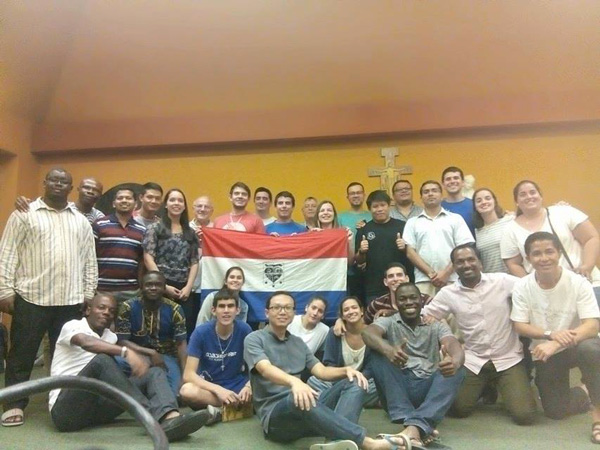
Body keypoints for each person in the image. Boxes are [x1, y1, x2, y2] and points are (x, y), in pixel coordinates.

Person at [0, 168, 98, 427]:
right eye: (53, 179)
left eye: (64, 181)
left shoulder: (80, 221)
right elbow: (7, 253)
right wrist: (5, 291)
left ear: (70, 188)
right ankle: (14, 403)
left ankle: (61, 400)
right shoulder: (24, 214)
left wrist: (88, 293)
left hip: (70, 299)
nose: (58, 184)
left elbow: (89, 259)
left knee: (66, 354)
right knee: (21, 354)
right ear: (44, 183)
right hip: (31, 297)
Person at [243, 291, 402, 450]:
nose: (282, 312)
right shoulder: (254, 338)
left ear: (293, 313)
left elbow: (321, 371)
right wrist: (295, 382)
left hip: (307, 410)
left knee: (356, 381)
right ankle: (368, 443)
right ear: (267, 312)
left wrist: (346, 370)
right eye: (277, 307)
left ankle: (335, 442)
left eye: (287, 308)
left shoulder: (298, 343)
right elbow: (265, 369)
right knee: (295, 399)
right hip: (277, 420)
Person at [48, 293, 209, 441]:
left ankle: (170, 418)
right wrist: (125, 352)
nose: (106, 313)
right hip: (66, 412)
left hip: (96, 410)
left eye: (111, 311)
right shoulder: (72, 326)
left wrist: (144, 359)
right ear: (88, 310)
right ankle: (151, 417)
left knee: (154, 372)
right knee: (102, 360)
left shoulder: (110, 337)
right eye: (101, 308)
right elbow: (86, 343)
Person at [422, 244, 537, 425]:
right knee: (457, 409)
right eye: (460, 262)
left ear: (480, 263)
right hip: (474, 360)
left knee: (525, 416)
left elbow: (532, 286)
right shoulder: (448, 293)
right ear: (454, 267)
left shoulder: (501, 281)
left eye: (471, 259)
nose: (466, 265)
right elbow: (426, 315)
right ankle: (485, 387)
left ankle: (503, 386)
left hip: (508, 358)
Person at [511, 232, 600, 442]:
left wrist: (556, 342)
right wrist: (550, 335)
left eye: (549, 251)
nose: (544, 258)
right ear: (528, 258)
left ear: (559, 253)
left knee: (590, 348)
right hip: (546, 353)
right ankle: (586, 390)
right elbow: (520, 325)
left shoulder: (578, 283)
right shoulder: (522, 286)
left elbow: (592, 326)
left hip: (578, 345)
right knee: (555, 411)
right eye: (537, 253)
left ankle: (598, 417)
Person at [362, 282, 465, 448]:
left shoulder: (435, 324)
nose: (409, 302)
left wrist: (454, 361)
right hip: (398, 390)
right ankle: (419, 424)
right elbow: (367, 333)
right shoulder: (389, 321)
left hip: (427, 389)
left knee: (457, 367)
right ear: (396, 303)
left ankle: (414, 427)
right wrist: (389, 350)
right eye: (403, 299)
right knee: (376, 353)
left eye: (413, 298)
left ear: (421, 301)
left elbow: (453, 344)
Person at [501, 180, 600, 300]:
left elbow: (591, 238)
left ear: (540, 196)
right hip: (546, 294)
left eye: (532, 192)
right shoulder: (509, 230)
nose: (529, 196)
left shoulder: (563, 212)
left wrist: (587, 266)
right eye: (523, 194)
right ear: (516, 201)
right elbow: (513, 263)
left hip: (586, 285)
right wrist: (532, 285)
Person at [180, 289, 253, 422]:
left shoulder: (245, 330)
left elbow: (256, 368)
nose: (226, 311)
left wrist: (249, 386)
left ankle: (219, 410)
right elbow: (188, 375)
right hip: (211, 387)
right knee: (187, 390)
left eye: (230, 306)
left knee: (265, 385)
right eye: (221, 306)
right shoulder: (201, 333)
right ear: (213, 310)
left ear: (237, 310)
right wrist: (219, 391)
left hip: (237, 384)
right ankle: (234, 405)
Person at [115, 271, 187, 396]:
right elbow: (121, 340)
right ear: (141, 287)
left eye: (158, 285)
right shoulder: (128, 307)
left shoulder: (175, 309)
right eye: (149, 285)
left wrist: (185, 375)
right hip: (135, 353)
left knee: (175, 394)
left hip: (166, 357)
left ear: (164, 288)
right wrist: (150, 352)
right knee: (115, 365)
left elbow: (181, 344)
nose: (153, 288)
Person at [143, 188, 199, 338]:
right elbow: (148, 258)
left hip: (184, 289)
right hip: (159, 286)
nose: (176, 203)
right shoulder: (154, 228)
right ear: (166, 204)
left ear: (184, 206)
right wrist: (164, 286)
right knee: (160, 327)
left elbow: (195, 262)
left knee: (184, 329)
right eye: (172, 200)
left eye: (180, 200)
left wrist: (188, 287)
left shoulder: (190, 232)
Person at [404, 180, 474, 297]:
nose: (430, 194)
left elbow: (463, 249)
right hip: (424, 281)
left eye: (434, 191)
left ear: (441, 195)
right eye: (426, 192)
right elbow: (410, 252)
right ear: (421, 198)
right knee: (426, 309)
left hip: (453, 279)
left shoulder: (455, 219)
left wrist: (446, 273)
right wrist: (431, 273)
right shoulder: (412, 222)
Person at [308, 296, 379, 407]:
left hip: (363, 380)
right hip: (338, 380)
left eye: (354, 307)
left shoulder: (372, 332)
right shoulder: (334, 332)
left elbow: (371, 368)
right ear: (342, 316)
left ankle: (334, 398)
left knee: (379, 385)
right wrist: (344, 381)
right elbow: (329, 363)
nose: (351, 311)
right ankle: (352, 399)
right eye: (346, 310)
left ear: (361, 311)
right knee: (313, 380)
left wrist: (355, 381)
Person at [355, 190, 412, 305]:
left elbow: (413, 254)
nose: (379, 209)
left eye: (383, 205)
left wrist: (404, 248)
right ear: (370, 209)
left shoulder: (403, 226)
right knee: (376, 315)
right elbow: (358, 261)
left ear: (389, 206)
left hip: (401, 284)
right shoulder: (364, 230)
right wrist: (361, 251)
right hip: (374, 287)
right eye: (375, 206)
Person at [92, 187, 146, 303]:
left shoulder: (142, 230)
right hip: (102, 290)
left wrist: (140, 286)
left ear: (136, 204)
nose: (124, 200)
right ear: (113, 203)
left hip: (131, 291)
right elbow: (90, 256)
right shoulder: (99, 224)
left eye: (128, 198)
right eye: (120, 198)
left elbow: (141, 261)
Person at [14, 176, 104, 225]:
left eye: (95, 190)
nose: (90, 192)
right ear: (78, 189)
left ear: (100, 195)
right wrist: (24, 202)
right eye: (86, 187)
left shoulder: (100, 217)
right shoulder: (64, 209)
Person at [338, 182, 371, 302]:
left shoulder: (372, 215)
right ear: (347, 197)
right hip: (347, 271)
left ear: (364, 195)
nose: (356, 195)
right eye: (352, 193)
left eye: (358, 193)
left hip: (369, 269)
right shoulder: (340, 217)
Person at [189, 195, 214, 335]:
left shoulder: (218, 230)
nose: (202, 209)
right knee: (189, 323)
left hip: (209, 285)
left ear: (212, 210)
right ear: (193, 208)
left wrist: (209, 239)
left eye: (206, 207)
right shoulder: (184, 228)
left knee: (207, 326)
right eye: (199, 206)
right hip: (189, 286)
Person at [472, 188, 513, 273]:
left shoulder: (509, 221)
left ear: (494, 201)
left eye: (487, 198)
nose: (483, 202)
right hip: (490, 278)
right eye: (479, 201)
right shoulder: (477, 232)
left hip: (512, 276)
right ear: (475, 206)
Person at [312, 200, 355, 264]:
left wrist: (349, 242)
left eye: (329, 210)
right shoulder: (312, 234)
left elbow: (350, 262)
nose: (325, 213)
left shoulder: (343, 233)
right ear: (317, 215)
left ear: (334, 214)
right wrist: (312, 236)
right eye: (322, 211)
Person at [440, 166, 475, 236]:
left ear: (463, 182)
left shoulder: (474, 205)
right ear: (443, 184)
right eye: (448, 179)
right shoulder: (438, 207)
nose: (452, 181)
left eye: (456, 178)